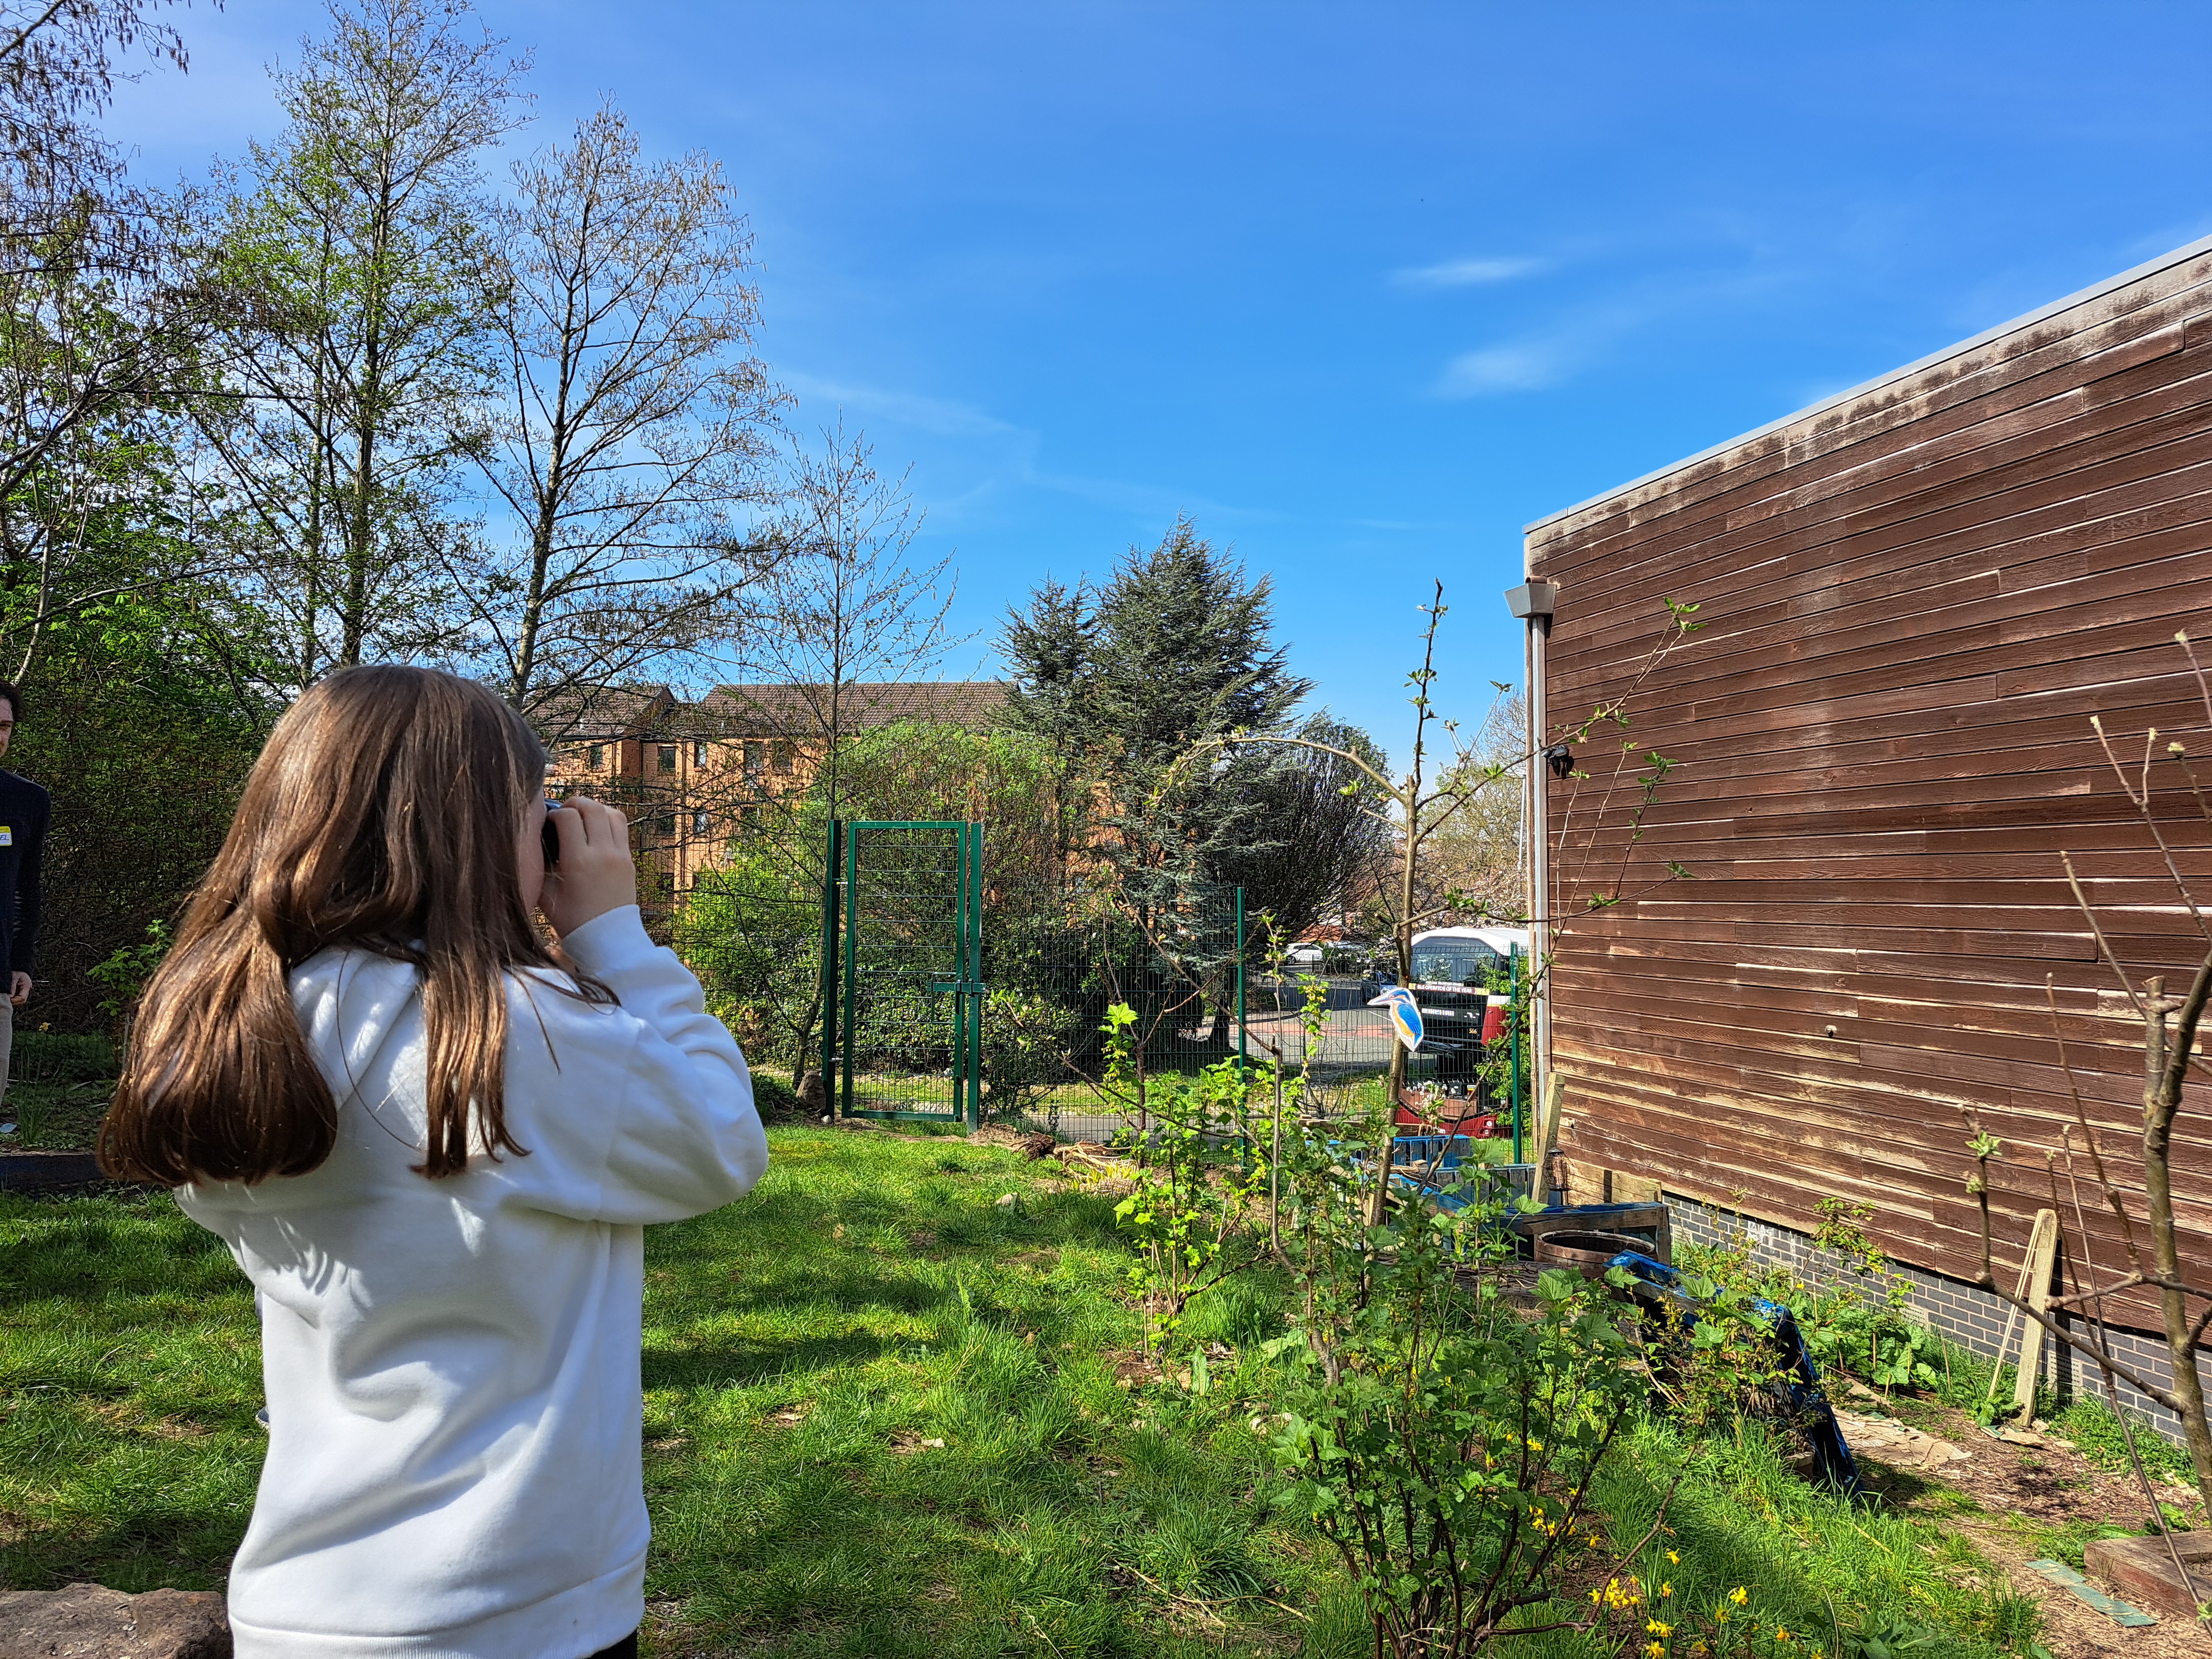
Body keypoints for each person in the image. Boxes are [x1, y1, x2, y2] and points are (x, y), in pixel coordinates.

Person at [98, 665, 768, 1659]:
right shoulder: (523, 1036)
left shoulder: (239, 1025)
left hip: (306, 1599)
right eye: (533, 810)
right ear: (480, 835)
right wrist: (615, 937)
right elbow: (721, 1140)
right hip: (516, 1604)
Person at [0, 678, 50, 1108]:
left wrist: (22, 963)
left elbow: (27, 889)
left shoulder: (28, 800)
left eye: (4, 726)